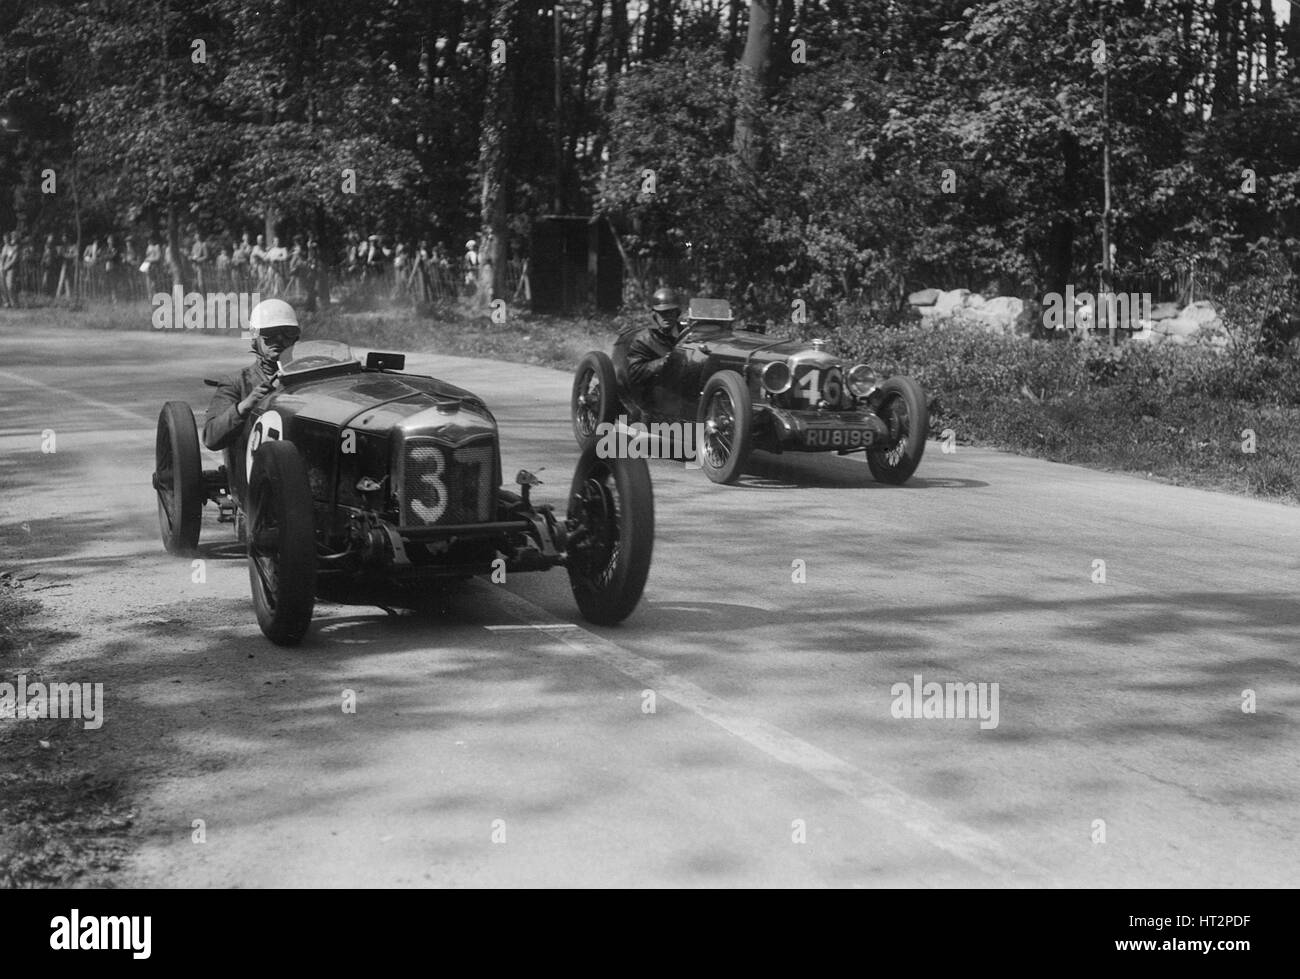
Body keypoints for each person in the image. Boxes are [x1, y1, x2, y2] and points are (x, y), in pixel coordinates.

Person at [202, 298, 301, 452]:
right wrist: (245, 405)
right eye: (270, 333)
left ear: (295, 338)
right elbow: (211, 437)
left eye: (287, 333)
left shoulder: (308, 376)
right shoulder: (236, 382)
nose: (279, 339)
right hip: (256, 466)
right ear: (255, 338)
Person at [625, 287, 686, 398]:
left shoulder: (687, 335)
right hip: (648, 397)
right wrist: (664, 362)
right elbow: (634, 373)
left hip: (679, 394)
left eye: (670, 312)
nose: (667, 316)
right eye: (662, 313)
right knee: (625, 414)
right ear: (654, 314)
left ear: (677, 313)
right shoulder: (642, 340)